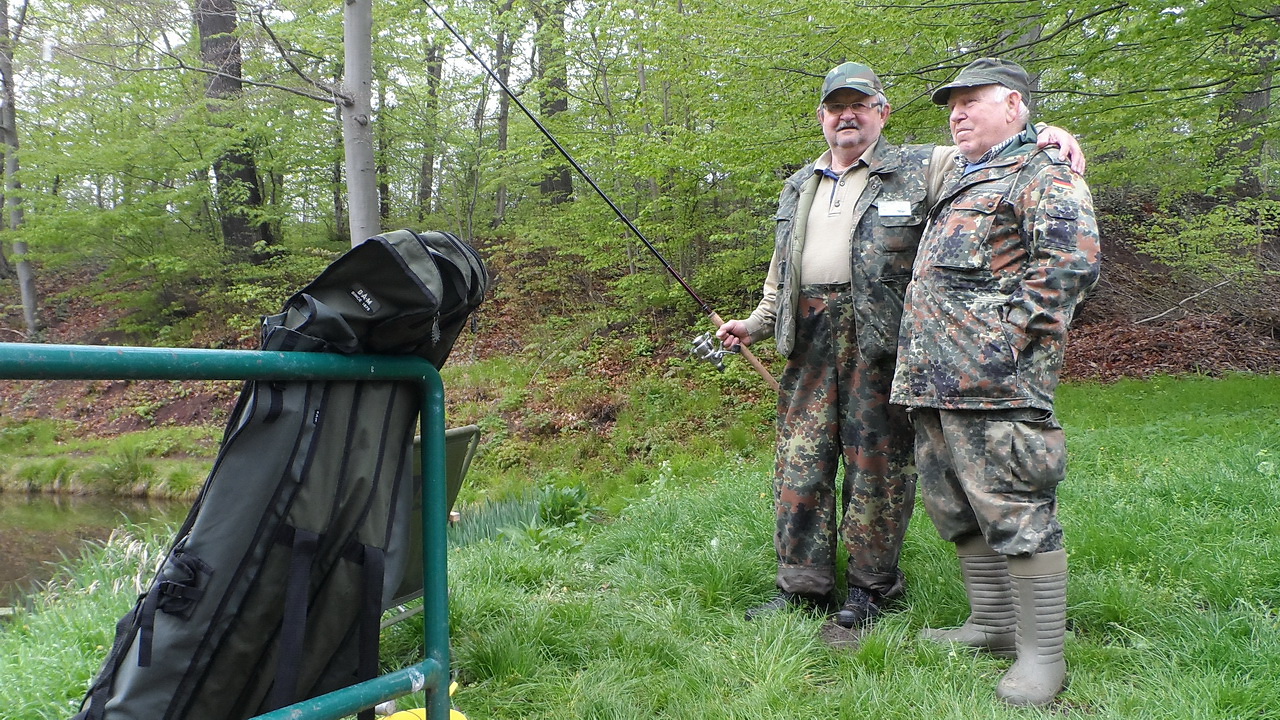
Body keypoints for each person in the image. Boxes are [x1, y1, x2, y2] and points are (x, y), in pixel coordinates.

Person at [716, 61, 1085, 630]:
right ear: (822, 117)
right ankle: (803, 586)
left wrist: (1050, 133)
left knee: (879, 469)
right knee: (799, 466)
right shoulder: (799, 185)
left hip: (883, 345)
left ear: (882, 113)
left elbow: (1000, 153)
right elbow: (780, 275)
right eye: (836, 107)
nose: (847, 116)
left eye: (859, 106)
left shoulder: (924, 166)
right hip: (808, 342)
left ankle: (872, 588)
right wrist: (756, 324)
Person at [890, 58, 1101, 706]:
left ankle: (1043, 659)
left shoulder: (1043, 169)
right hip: (934, 380)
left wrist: (1006, 342)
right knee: (955, 505)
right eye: (951, 105)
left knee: (1017, 509)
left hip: (996, 383)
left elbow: (1068, 265)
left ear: (1012, 105)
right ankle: (991, 625)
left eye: (971, 101)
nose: (957, 114)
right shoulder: (963, 174)